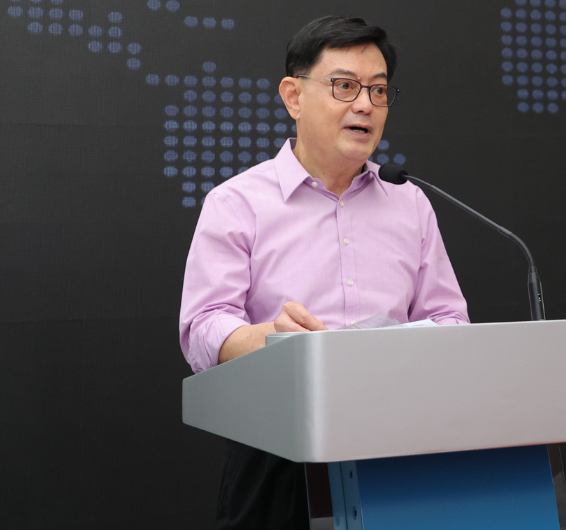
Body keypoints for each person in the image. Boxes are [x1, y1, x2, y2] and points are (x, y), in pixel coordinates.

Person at [177, 15, 471, 530]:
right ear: (294, 97)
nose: (364, 105)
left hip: (400, 448)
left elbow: (449, 317)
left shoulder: (411, 203)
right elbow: (201, 329)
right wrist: (273, 338)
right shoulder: (236, 203)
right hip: (278, 456)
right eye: (345, 86)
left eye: (378, 92)